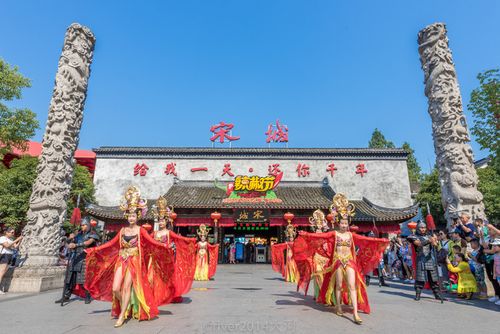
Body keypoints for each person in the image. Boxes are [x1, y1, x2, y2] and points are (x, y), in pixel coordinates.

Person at [84, 186, 178, 328]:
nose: (131, 218)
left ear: (138, 216)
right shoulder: (122, 230)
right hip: (121, 260)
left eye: (134, 215)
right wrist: (93, 249)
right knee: (116, 288)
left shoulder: (141, 231)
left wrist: (166, 247)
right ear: (127, 216)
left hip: (134, 261)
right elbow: (110, 244)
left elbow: (152, 242)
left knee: (127, 287)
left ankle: (122, 314)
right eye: (129, 215)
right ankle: (125, 305)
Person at [294, 194, 389, 325]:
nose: (344, 225)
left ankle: (355, 313)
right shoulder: (334, 233)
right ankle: (338, 305)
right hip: (338, 261)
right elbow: (321, 236)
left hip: (349, 261)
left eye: (346, 223)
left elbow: (366, 240)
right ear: (339, 223)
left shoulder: (351, 235)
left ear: (348, 223)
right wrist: (306, 234)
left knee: (352, 285)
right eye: (342, 223)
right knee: (338, 285)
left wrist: (381, 240)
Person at [150, 195, 197, 303]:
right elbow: (149, 240)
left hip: (167, 258)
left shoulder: (168, 232)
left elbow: (180, 239)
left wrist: (192, 240)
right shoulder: (155, 233)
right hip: (156, 258)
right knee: (155, 277)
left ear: (166, 221)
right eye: (159, 220)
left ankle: (167, 294)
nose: (161, 222)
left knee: (167, 277)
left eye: (163, 221)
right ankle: (157, 294)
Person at [55, 218, 99, 304]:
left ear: (88, 225)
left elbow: (88, 242)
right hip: (74, 257)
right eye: (81, 225)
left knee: (83, 279)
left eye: (84, 225)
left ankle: (87, 296)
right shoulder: (78, 234)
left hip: (85, 258)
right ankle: (66, 296)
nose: (82, 227)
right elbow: (67, 244)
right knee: (69, 279)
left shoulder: (93, 234)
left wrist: (76, 245)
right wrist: (69, 239)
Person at [407, 222, 444, 303]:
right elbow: (419, 244)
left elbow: (435, 246)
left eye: (424, 227)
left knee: (433, 279)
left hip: (430, 258)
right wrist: (429, 240)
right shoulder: (413, 236)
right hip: (421, 259)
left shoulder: (429, 236)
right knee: (420, 278)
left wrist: (435, 241)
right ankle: (418, 294)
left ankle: (437, 295)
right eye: (421, 227)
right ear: (418, 228)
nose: (423, 229)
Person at [0, 227, 22, 294]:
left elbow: (15, 247)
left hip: (10, 256)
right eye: (12, 232)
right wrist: (17, 239)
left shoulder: (11, 239)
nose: (13, 233)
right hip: (5, 255)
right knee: (1, 272)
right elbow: (7, 246)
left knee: (3, 273)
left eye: (13, 232)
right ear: (7, 232)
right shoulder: (3, 238)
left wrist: (20, 240)